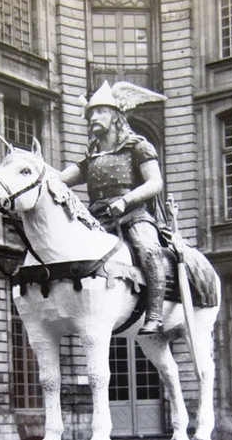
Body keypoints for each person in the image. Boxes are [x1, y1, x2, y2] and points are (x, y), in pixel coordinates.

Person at [61, 80, 168, 334]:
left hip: (133, 215)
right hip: (97, 219)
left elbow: (155, 183)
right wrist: (32, 168)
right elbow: (62, 178)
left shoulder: (138, 146)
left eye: (99, 112)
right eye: (90, 114)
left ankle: (154, 315)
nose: (92, 118)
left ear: (116, 115)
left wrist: (126, 201)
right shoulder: (93, 156)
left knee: (149, 250)